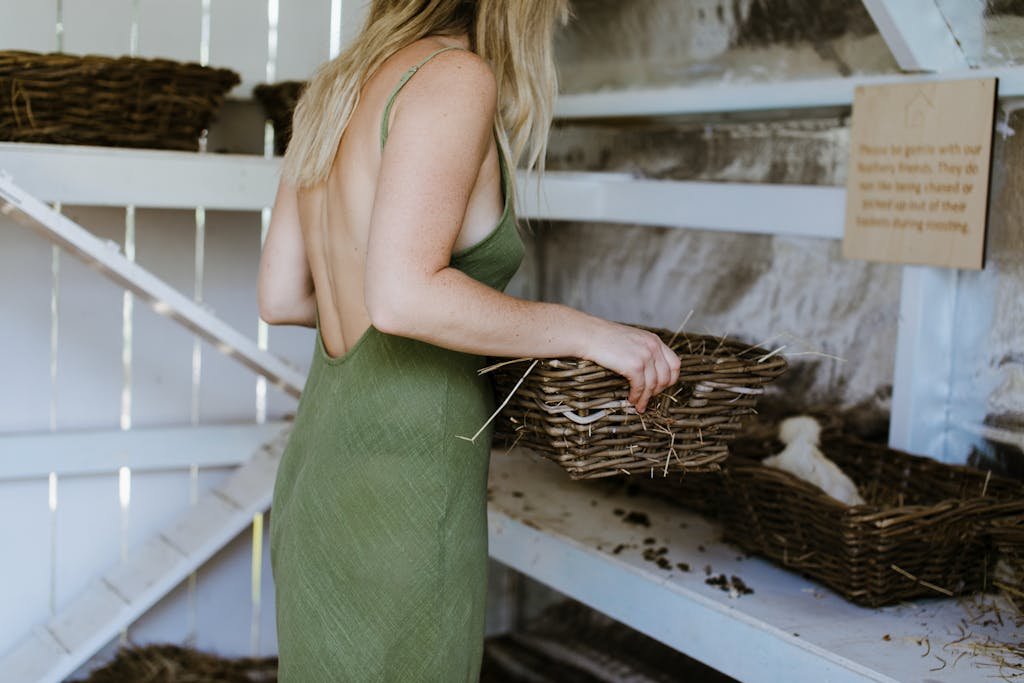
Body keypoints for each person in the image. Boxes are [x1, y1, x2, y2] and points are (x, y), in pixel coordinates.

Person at [258, 1, 680, 680]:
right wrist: (585, 331)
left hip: (319, 476)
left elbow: (281, 295)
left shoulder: (333, 86)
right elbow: (403, 296)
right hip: (403, 496)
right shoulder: (453, 77)